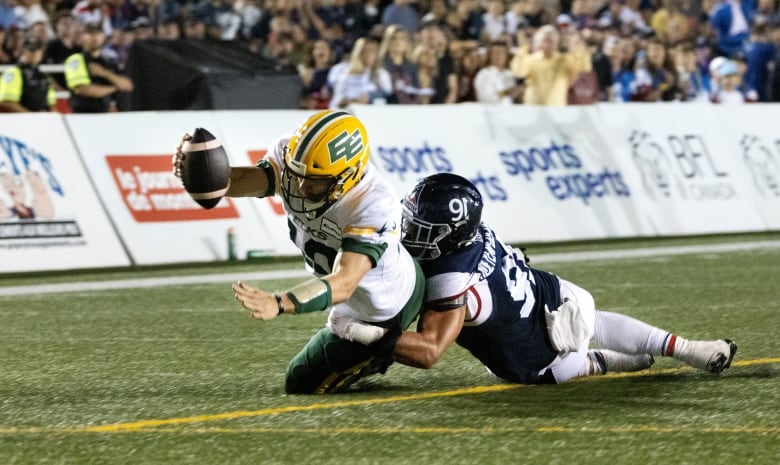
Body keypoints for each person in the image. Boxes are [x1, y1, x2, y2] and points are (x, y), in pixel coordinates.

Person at [369, 173, 737, 385]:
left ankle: (676, 352)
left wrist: (368, 337)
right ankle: (670, 351)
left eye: (421, 226)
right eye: (410, 218)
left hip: (538, 352)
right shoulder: (474, 231)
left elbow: (430, 349)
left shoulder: (452, 280)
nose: (409, 229)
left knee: (573, 349)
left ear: (450, 233)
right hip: (546, 294)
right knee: (596, 325)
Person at [172, 109, 425, 394]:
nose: (302, 188)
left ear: (347, 179)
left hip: (384, 305)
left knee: (301, 383)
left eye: (316, 181)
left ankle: (379, 345)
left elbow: (343, 282)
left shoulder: (372, 203)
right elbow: (251, 179)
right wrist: (205, 177)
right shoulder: (291, 157)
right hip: (356, 296)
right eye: (297, 175)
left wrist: (279, 302)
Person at [64, 21, 133, 112]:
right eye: (90, 33)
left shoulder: (109, 61)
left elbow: (127, 85)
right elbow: (85, 89)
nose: (94, 37)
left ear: (103, 36)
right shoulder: (75, 60)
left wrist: (104, 73)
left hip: (104, 114)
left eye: (98, 33)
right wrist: (115, 88)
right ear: (83, 37)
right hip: (83, 114)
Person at [0, 33, 55, 112]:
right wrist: (32, 116)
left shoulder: (43, 76)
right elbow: (7, 102)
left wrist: (52, 118)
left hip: (42, 120)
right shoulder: (13, 72)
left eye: (37, 50)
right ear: (23, 51)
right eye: (31, 50)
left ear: (42, 53)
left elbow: (51, 104)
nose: (34, 53)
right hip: (20, 121)